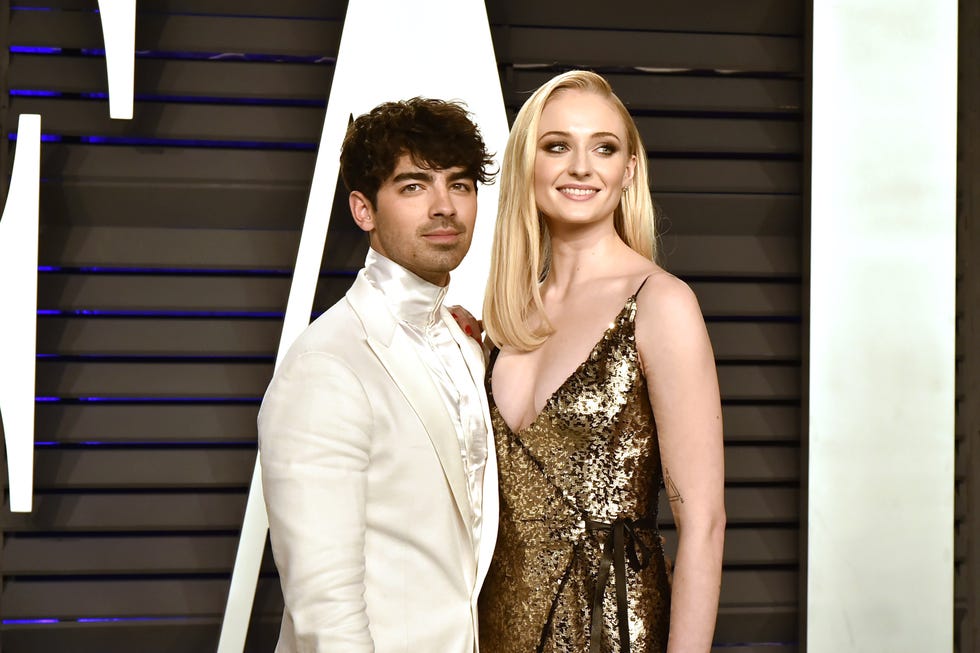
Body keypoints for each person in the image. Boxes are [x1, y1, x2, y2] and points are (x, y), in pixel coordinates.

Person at [478, 71, 726, 652]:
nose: (582, 167)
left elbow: (705, 526)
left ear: (629, 170)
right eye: (557, 144)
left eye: (604, 147)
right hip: (494, 630)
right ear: (526, 164)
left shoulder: (661, 304)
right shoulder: (501, 323)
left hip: (612, 630)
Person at [258, 97, 498, 653]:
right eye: (414, 187)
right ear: (363, 210)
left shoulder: (468, 345)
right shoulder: (327, 366)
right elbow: (324, 610)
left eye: (459, 185)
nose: (445, 208)